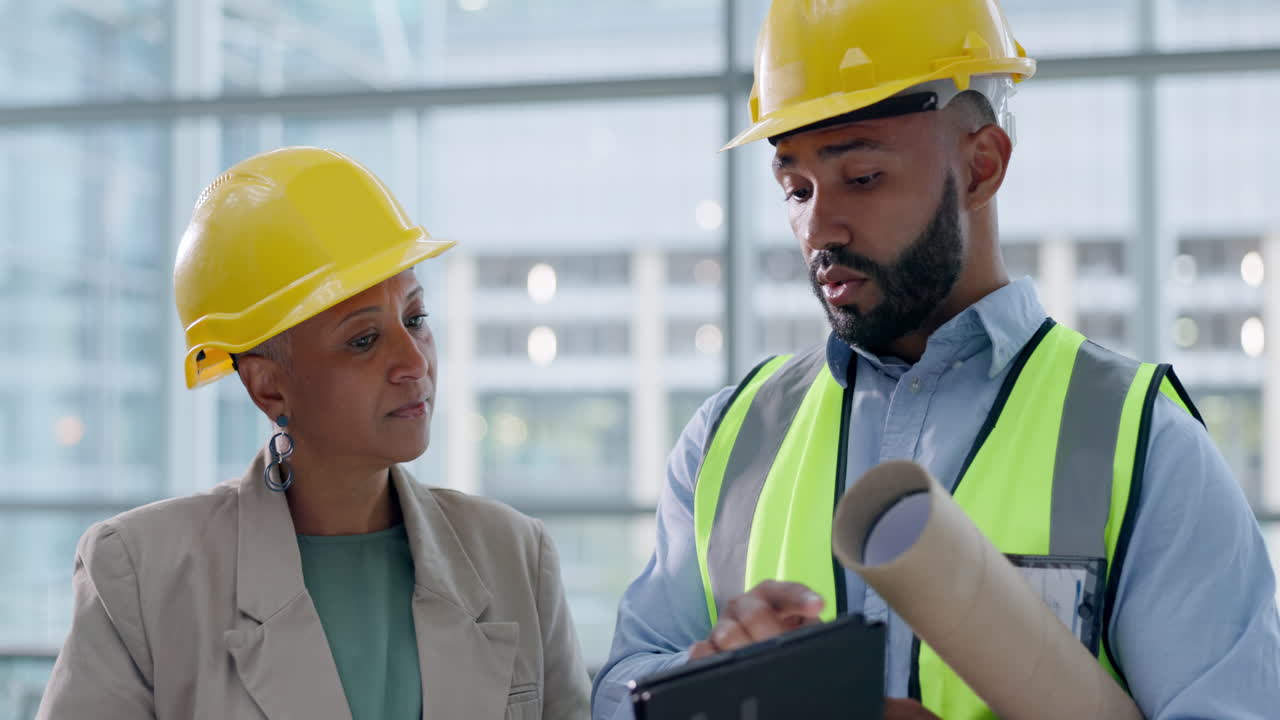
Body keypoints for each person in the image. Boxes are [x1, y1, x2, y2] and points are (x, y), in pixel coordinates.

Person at [591, 1, 1280, 719]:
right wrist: (708, 676)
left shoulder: (1142, 442)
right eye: (796, 190)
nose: (818, 226)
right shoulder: (728, 439)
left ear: (981, 166)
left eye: (860, 177)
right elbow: (621, 687)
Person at [37, 147, 591, 720]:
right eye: (363, 340)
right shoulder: (140, 575)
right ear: (268, 388)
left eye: (416, 319)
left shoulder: (516, 557)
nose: (414, 363)